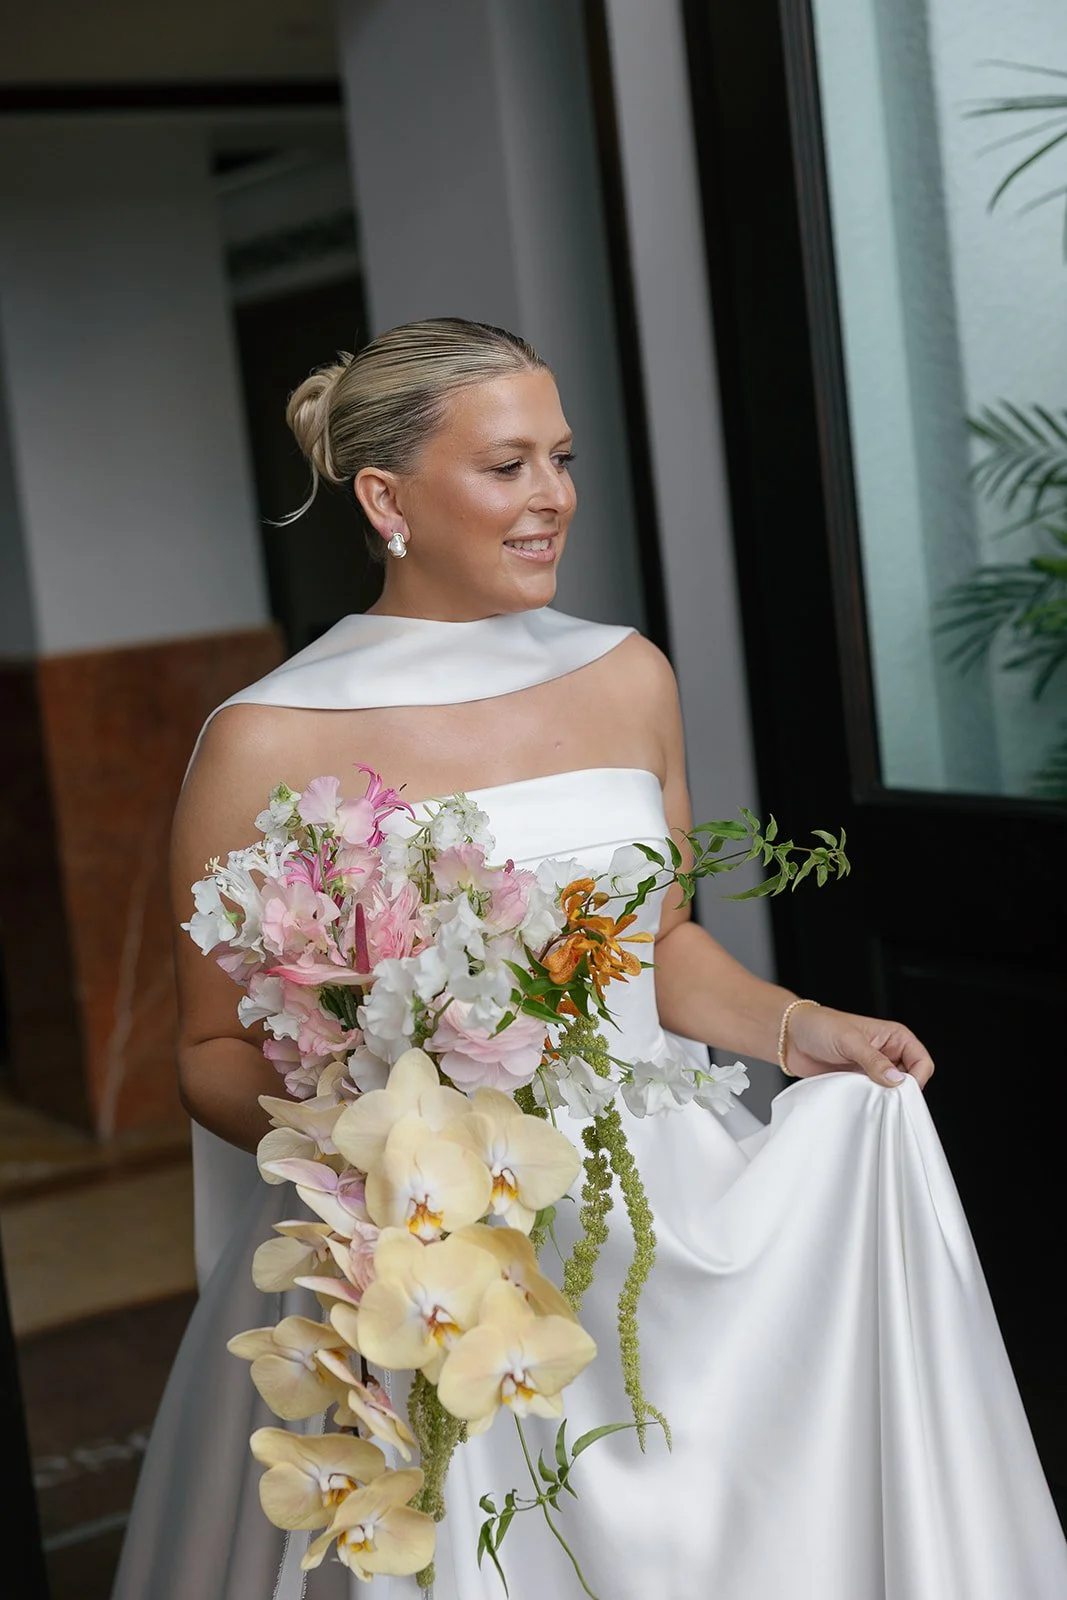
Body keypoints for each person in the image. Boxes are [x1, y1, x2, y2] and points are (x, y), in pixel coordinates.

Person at [113, 318, 1067, 1599]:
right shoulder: (265, 737)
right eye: (506, 466)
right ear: (386, 499)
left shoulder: (624, 675)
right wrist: (382, 1161)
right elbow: (210, 1048)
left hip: (650, 1194)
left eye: (559, 459)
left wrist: (797, 1027)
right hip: (428, 1254)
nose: (552, 495)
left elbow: (653, 942)